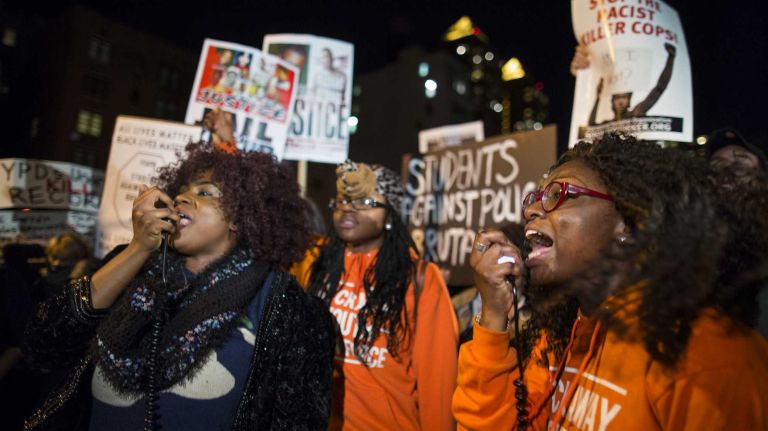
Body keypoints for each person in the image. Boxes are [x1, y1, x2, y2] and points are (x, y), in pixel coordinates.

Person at [453, 133, 768, 430]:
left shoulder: (707, 356)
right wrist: (494, 317)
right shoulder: (559, 336)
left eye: (558, 194)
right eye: (535, 197)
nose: (533, 210)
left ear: (628, 224)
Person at [22, 142, 335, 430]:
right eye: (182, 191)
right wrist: (137, 249)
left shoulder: (284, 305)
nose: (182, 197)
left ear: (241, 217)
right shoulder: (131, 265)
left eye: (206, 192)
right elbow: (44, 346)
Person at [308, 160, 458, 430]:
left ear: (390, 215)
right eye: (343, 199)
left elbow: (437, 379)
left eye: (365, 201)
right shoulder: (319, 264)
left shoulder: (419, 278)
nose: (348, 208)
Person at [580, 43, 676, 125]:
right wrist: (598, 97)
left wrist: (671, 58)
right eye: (617, 98)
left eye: (624, 97)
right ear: (612, 101)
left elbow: (659, 88)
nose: (621, 101)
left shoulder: (636, 113)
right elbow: (591, 128)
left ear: (629, 99)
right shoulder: (608, 124)